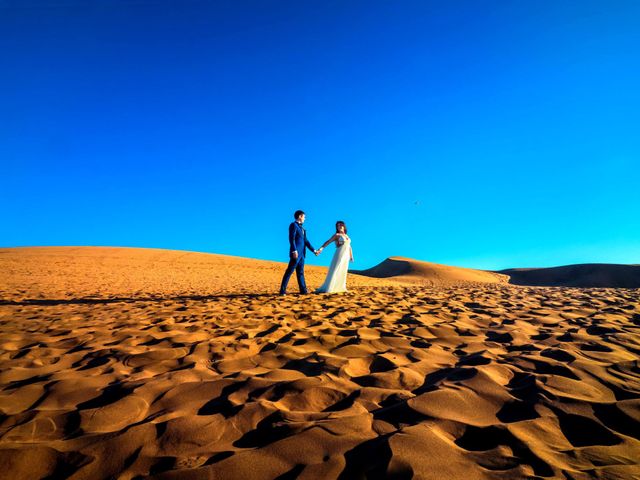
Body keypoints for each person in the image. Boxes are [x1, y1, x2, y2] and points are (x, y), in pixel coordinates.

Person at [279, 210, 319, 295]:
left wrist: (314, 250)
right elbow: (291, 238)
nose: (305, 218)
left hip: (302, 255)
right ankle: (282, 291)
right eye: (304, 217)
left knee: (300, 272)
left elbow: (306, 241)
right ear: (300, 216)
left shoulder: (303, 229)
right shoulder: (293, 225)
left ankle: (303, 290)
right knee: (289, 271)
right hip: (296, 253)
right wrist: (294, 250)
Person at [315, 221, 353, 293]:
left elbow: (349, 246)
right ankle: (330, 287)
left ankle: (341, 287)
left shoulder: (347, 236)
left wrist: (351, 256)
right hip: (340, 253)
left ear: (344, 226)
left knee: (343, 270)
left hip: (346, 255)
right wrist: (321, 249)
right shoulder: (337, 235)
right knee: (336, 268)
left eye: (341, 225)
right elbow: (328, 242)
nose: (340, 226)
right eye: (338, 226)